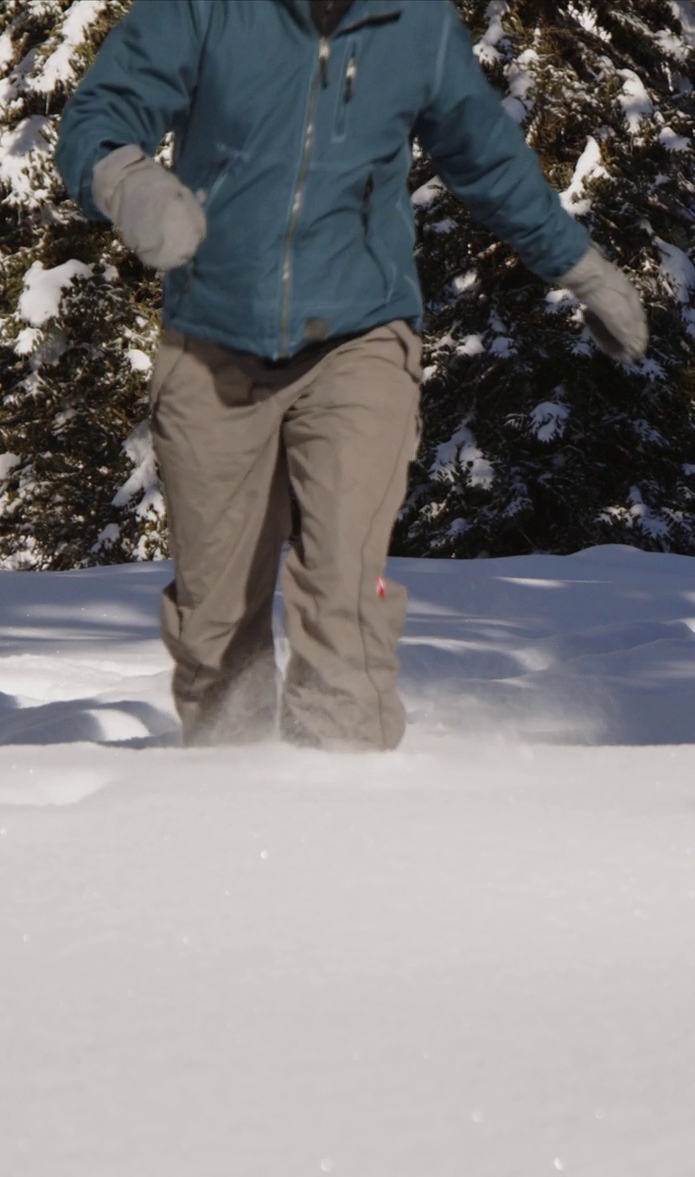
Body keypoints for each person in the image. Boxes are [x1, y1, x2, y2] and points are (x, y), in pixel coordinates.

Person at [56, 0, 648, 751]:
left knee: (342, 598)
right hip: (211, 341)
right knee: (216, 621)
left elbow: (486, 157)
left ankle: (344, 815)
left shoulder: (417, 23)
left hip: (360, 336)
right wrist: (130, 180)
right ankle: (228, 810)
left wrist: (580, 267)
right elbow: (102, 111)